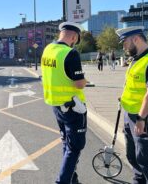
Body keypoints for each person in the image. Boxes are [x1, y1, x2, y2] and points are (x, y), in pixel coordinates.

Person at [116, 26, 148, 184]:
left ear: (135, 39)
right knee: (133, 155)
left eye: (125, 42)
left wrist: (141, 118)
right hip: (130, 114)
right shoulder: (136, 60)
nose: (123, 47)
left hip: (144, 116)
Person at [41, 21, 87, 184]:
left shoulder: (48, 50)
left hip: (56, 105)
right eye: (76, 40)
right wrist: (85, 80)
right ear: (74, 37)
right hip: (73, 108)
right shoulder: (70, 53)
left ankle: (72, 179)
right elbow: (79, 83)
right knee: (75, 147)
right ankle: (62, 182)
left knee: (67, 144)